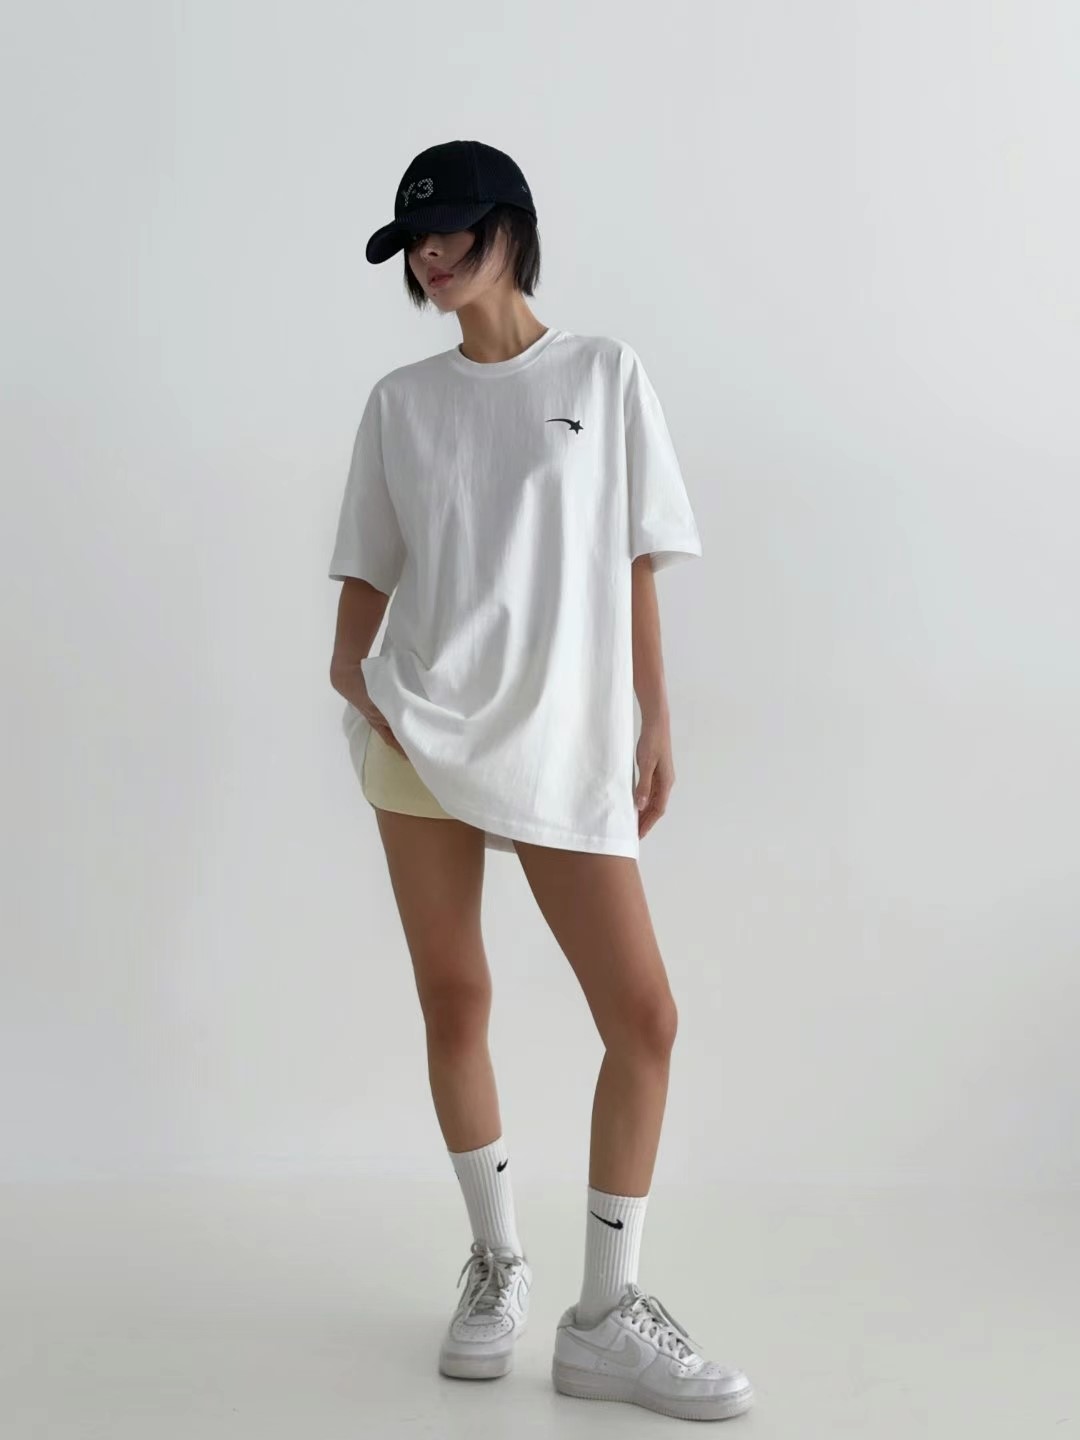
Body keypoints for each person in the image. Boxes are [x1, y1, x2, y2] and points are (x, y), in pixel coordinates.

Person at [328, 139, 754, 1423]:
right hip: (421, 743)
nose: (428, 256)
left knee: (644, 1019)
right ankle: (496, 1263)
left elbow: (634, 559)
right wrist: (370, 691)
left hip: (561, 744)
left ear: (509, 228)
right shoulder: (401, 403)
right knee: (456, 998)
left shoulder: (602, 374)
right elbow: (361, 595)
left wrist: (654, 715)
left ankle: (606, 1316)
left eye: (449, 231)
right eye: (413, 242)